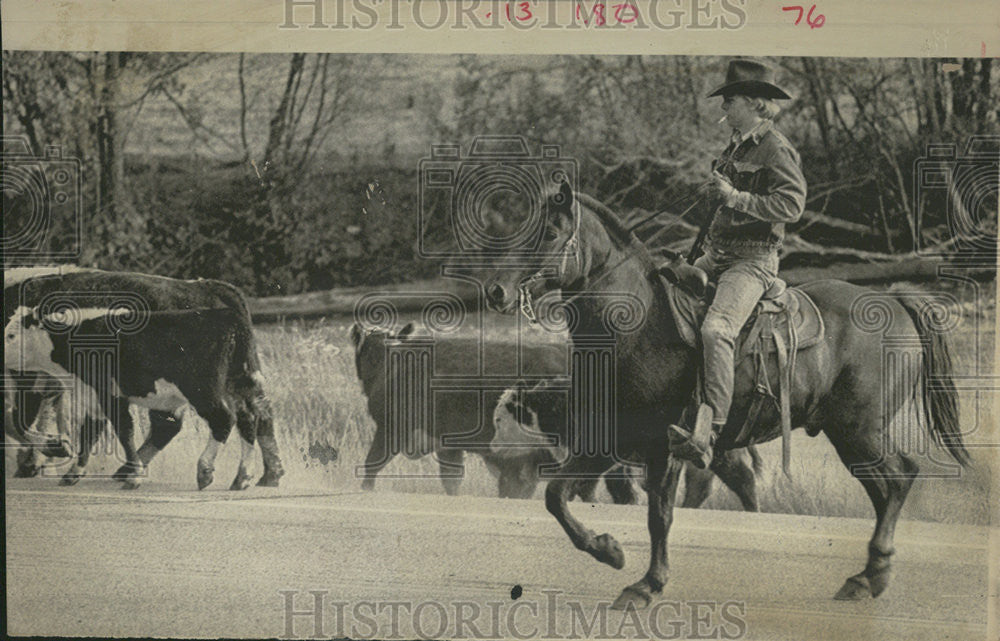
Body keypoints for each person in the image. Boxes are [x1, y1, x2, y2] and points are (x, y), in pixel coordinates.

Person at [668, 58, 807, 469]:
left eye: (728, 101)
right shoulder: (736, 144)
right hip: (719, 253)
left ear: (752, 102)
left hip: (753, 261)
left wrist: (734, 197)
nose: (723, 109)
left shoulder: (776, 148)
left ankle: (709, 431)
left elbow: (792, 204)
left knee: (716, 329)